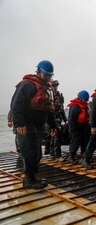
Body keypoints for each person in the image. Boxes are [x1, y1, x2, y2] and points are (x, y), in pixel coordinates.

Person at [10, 60, 56, 189]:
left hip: (38, 124)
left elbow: (49, 109)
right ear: (39, 72)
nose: (48, 77)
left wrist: (53, 125)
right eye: (46, 74)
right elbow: (15, 105)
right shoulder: (27, 85)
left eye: (49, 75)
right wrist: (19, 124)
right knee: (30, 151)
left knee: (37, 153)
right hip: (26, 124)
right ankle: (29, 180)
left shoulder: (47, 89)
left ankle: (31, 176)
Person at [67, 90, 90, 164]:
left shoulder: (86, 106)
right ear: (80, 98)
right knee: (75, 141)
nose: (85, 101)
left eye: (86, 100)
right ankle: (71, 156)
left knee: (85, 141)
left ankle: (84, 156)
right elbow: (71, 119)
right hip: (75, 127)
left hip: (84, 126)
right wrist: (72, 130)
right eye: (84, 100)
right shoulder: (75, 106)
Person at [49, 80, 67, 161]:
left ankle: (53, 154)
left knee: (55, 136)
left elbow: (61, 108)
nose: (55, 87)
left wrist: (65, 119)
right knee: (56, 136)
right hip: (51, 117)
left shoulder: (59, 95)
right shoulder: (49, 94)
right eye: (54, 85)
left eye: (56, 85)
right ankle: (57, 155)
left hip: (58, 117)